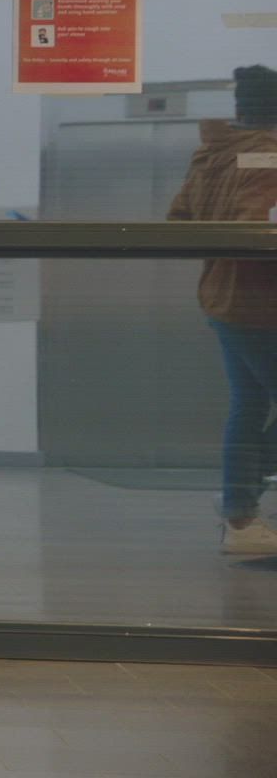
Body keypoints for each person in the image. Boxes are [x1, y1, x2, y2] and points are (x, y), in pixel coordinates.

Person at [168, 64, 277, 555]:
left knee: (249, 405)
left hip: (223, 301)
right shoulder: (267, 155)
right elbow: (255, 231)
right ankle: (240, 502)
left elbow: (178, 219)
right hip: (260, 305)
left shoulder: (212, 153)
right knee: (249, 406)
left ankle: (240, 511)